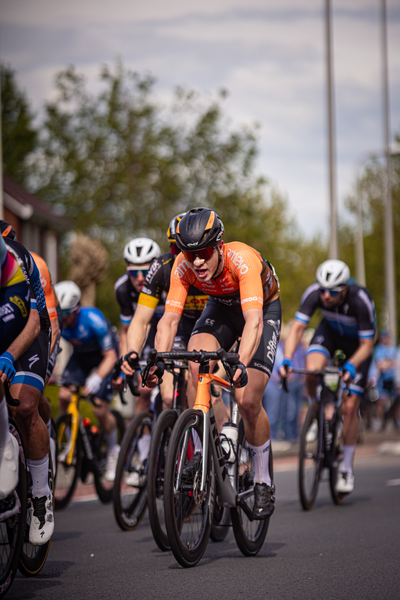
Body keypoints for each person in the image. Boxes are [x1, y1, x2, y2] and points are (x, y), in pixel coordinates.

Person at [145, 207, 281, 519]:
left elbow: (254, 321)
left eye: (204, 253)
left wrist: (241, 364)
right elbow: (167, 321)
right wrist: (157, 362)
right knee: (196, 361)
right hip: (220, 308)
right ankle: (210, 443)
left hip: (261, 312)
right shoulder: (183, 265)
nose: (198, 262)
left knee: (247, 399)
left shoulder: (242, 260)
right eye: (189, 254)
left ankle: (262, 479)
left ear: (219, 246)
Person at [279, 259, 376, 494]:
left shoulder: (360, 300)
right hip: (330, 334)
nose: (325, 295)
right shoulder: (314, 293)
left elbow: (367, 344)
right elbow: (298, 329)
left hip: (358, 348)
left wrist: (352, 366)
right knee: (312, 370)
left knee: (351, 406)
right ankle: (317, 411)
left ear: (344, 289)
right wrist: (288, 358)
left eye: (331, 291)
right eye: (322, 289)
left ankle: (346, 468)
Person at [0, 225, 53, 544]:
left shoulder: (17, 262)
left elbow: (34, 322)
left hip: (27, 332)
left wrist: (8, 355)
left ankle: (40, 496)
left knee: (26, 406)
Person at [54, 280, 119, 481]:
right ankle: (68, 441)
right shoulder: (58, 321)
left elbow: (111, 356)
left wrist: (97, 378)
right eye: (59, 313)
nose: (61, 319)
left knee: (99, 408)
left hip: (105, 356)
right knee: (64, 395)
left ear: (76, 310)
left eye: (65, 314)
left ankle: (113, 450)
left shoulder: (93, 319)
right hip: (81, 356)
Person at [113, 237, 162, 414]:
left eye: (145, 271)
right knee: (142, 392)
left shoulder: (168, 283)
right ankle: (142, 440)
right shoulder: (122, 288)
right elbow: (125, 332)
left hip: (170, 330)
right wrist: (122, 366)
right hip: (143, 332)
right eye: (134, 273)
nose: (140, 278)